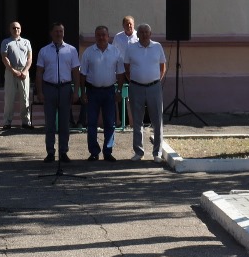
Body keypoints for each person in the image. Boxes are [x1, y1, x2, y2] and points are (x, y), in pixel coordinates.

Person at [35, 22, 80, 163]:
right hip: (49, 88)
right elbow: (39, 73)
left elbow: (76, 73)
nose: (58, 34)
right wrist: (40, 92)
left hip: (65, 88)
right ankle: (50, 152)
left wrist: (76, 91)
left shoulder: (71, 50)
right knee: (49, 123)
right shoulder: (44, 51)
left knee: (64, 123)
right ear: (51, 33)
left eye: (61, 31)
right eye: (56, 31)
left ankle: (63, 151)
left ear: (63, 33)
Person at [122, 22, 167, 162]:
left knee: (157, 120)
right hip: (136, 87)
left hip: (154, 87)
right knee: (137, 120)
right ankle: (138, 152)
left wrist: (155, 81)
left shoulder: (157, 46)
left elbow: (162, 67)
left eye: (146, 32)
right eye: (141, 32)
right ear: (138, 34)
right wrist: (136, 80)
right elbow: (126, 68)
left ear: (150, 34)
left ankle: (157, 153)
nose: (144, 34)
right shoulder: (131, 48)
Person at [80, 25, 122, 161]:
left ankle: (108, 152)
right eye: (98, 35)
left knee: (110, 123)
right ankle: (94, 152)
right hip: (93, 91)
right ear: (95, 36)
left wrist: (119, 90)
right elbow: (82, 74)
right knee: (91, 123)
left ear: (108, 36)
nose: (101, 37)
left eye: (103, 35)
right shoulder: (88, 52)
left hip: (110, 91)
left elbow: (120, 73)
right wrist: (83, 92)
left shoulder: (115, 52)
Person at [0, 21, 33, 129]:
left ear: (21, 29)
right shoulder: (6, 42)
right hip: (10, 72)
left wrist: (26, 70)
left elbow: (30, 58)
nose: (16, 30)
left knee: (25, 97)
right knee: (10, 97)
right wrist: (13, 71)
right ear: (10, 30)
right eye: (13, 28)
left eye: (18, 28)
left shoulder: (26, 42)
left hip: (24, 72)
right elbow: (4, 58)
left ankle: (26, 122)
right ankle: (7, 122)